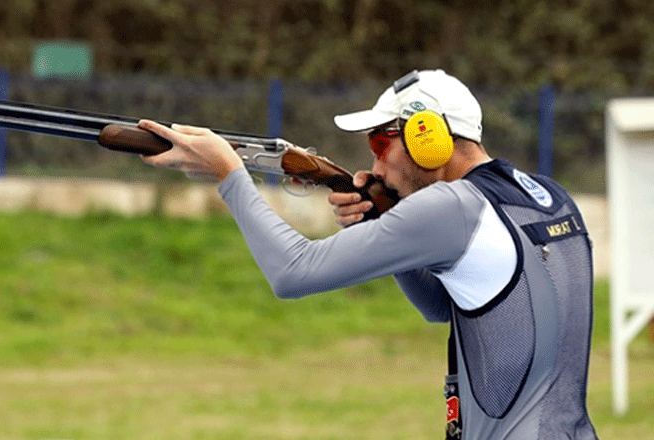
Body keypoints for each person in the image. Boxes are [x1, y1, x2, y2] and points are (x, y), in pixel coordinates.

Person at [138, 69, 598, 440]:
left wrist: (229, 174)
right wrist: (384, 225)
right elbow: (444, 306)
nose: (375, 166)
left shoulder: (451, 207)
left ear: (429, 136)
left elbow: (291, 272)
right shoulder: (546, 196)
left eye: (381, 142)